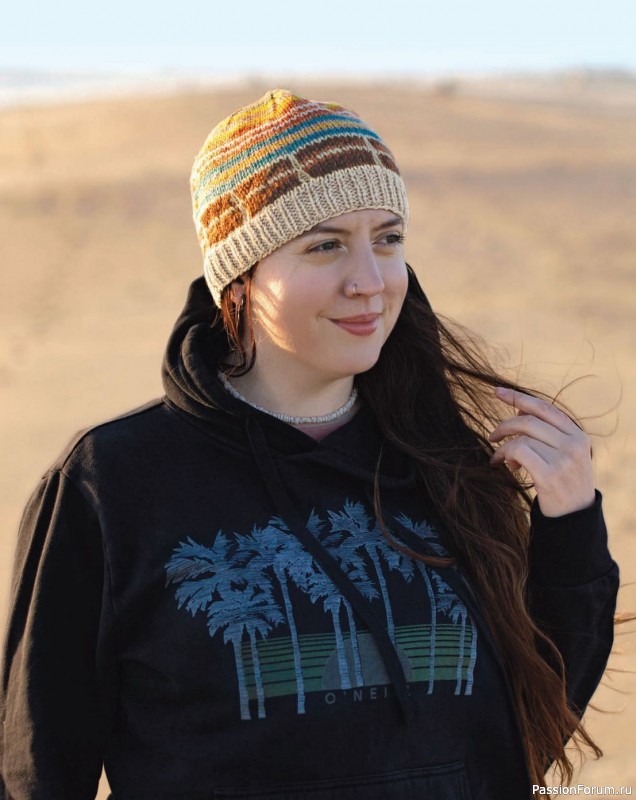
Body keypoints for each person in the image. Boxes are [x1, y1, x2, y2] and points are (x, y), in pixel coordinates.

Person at [0, 89, 619, 800]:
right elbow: (37, 769)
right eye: (325, 245)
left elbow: (530, 726)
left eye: (387, 239)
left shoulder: (447, 466)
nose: (370, 282)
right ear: (240, 277)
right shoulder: (111, 482)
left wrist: (570, 527)